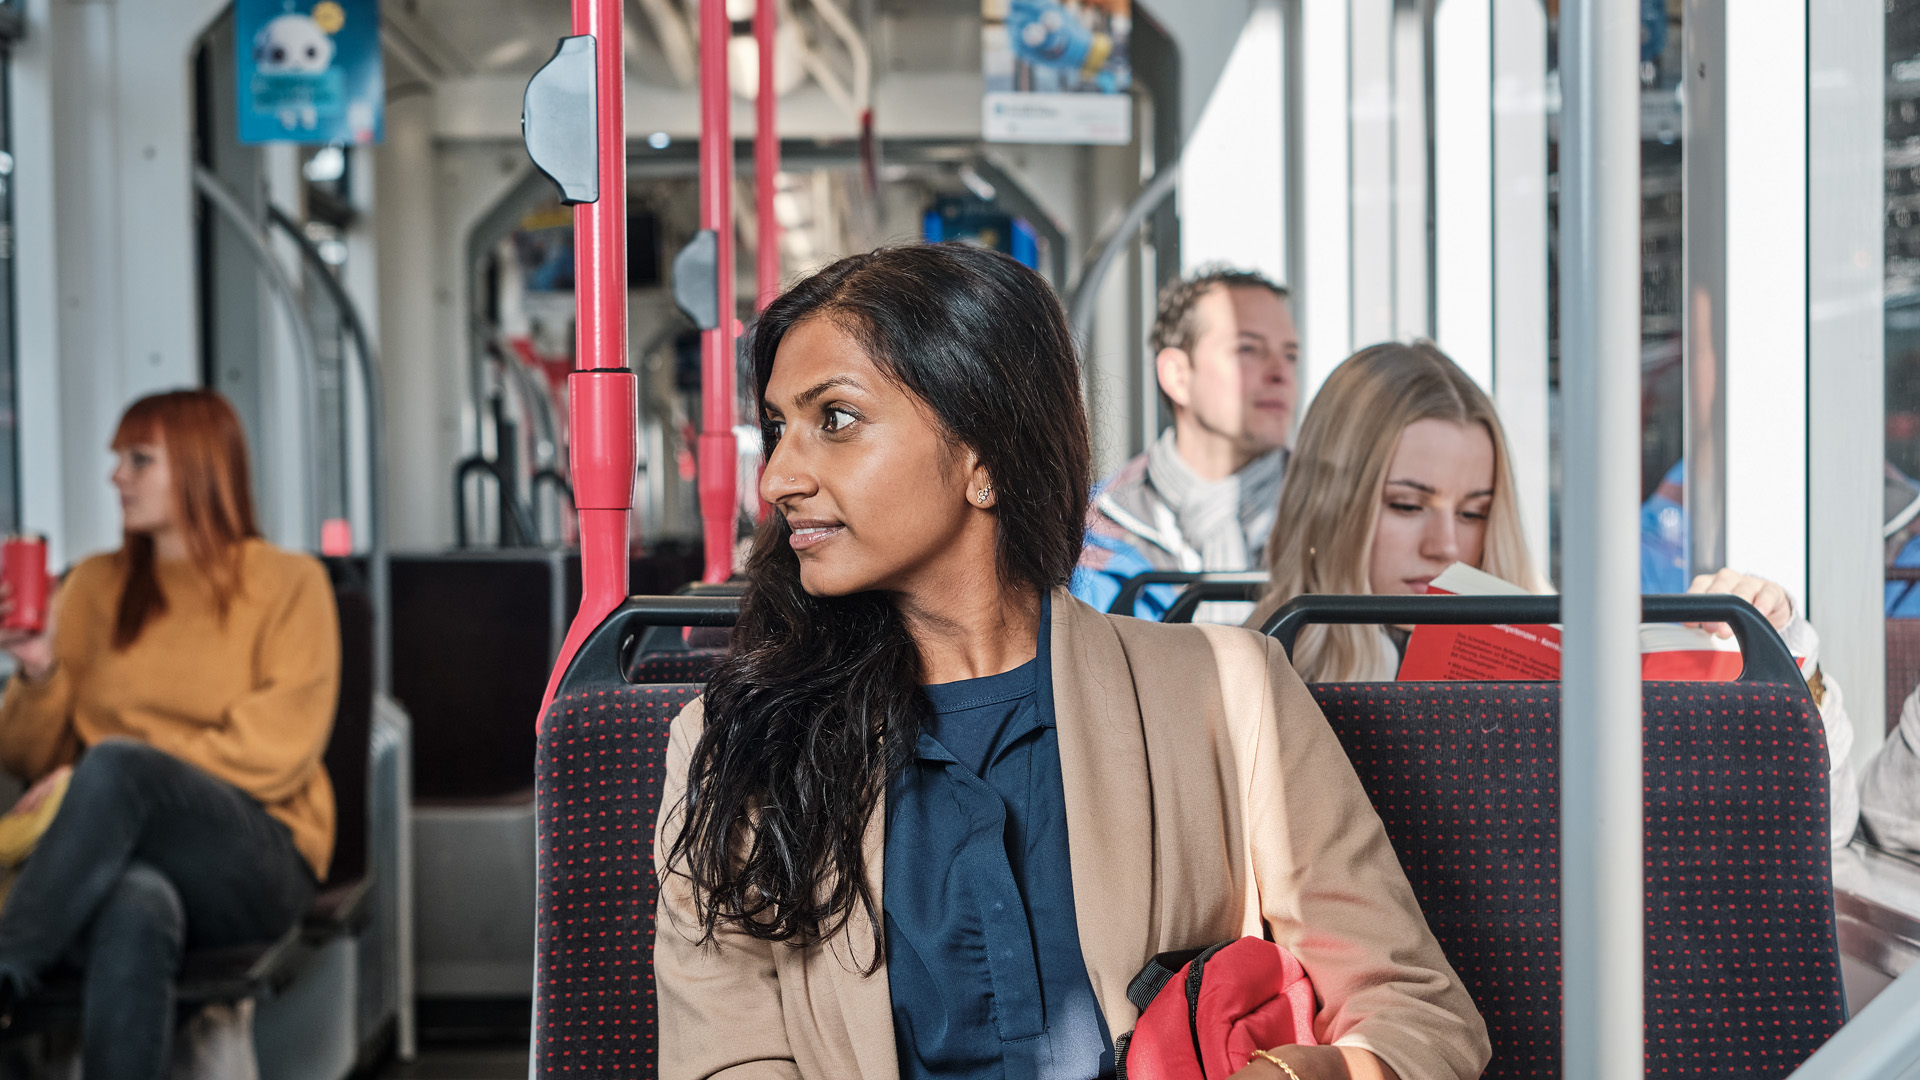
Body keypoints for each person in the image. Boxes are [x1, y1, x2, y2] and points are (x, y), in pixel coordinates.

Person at [654, 244, 1489, 1080]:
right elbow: (726, 1060)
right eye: (778, 428)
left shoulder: (1229, 696)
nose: (778, 478)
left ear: (984, 453)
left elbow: (1418, 1016)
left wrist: (1286, 1074)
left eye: (835, 419)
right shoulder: (736, 748)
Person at [1245, 342, 1860, 851]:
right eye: (1407, 505)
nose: (1446, 545)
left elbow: (1821, 835)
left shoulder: (1555, 647)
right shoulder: (1252, 676)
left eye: (1475, 512)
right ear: (1332, 507)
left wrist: (1786, 659)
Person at [0, 389, 338, 1080]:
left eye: (138, 460)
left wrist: (114, 778)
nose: (115, 477)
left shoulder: (289, 583)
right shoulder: (93, 586)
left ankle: (7, 968)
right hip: (125, 853)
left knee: (118, 766)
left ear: (198, 466)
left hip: (258, 855)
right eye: (118, 460)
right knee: (136, 903)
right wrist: (38, 670)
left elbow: (275, 752)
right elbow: (31, 758)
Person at [1072, 266, 1298, 620]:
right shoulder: (1088, 536)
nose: (1280, 373)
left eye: (1290, 355)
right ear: (1177, 375)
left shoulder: (1341, 516)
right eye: (1248, 349)